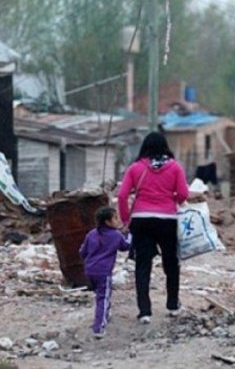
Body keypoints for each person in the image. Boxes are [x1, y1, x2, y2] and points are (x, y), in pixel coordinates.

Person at [117, 132, 189, 324]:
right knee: (171, 263)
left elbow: (122, 195)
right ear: (165, 146)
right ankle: (173, 305)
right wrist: (172, 201)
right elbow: (183, 193)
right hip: (167, 220)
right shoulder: (175, 167)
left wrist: (126, 219)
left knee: (143, 264)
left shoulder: (135, 168)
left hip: (141, 220)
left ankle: (145, 311)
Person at [79, 206, 132, 338]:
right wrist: (130, 234)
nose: (118, 220)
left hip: (89, 270)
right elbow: (125, 246)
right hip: (104, 272)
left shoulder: (91, 234)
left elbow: (82, 252)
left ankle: (103, 317)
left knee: (101, 295)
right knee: (103, 297)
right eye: (115, 218)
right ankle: (99, 327)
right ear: (108, 222)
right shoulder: (116, 235)